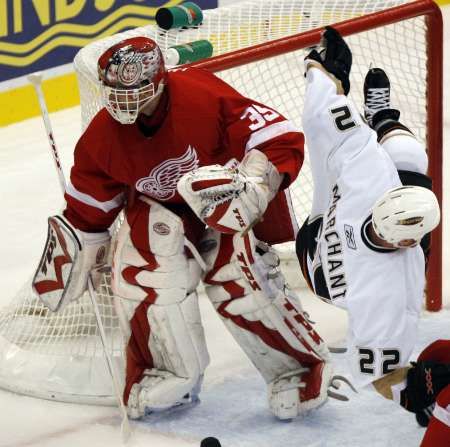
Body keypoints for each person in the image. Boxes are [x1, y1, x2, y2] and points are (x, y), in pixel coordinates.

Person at [32, 36, 334, 421]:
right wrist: (77, 244)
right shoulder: (102, 139)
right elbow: (88, 204)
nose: (122, 102)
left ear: (159, 81)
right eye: (116, 92)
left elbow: (275, 136)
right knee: (142, 272)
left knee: (236, 275)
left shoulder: (200, 95)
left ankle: (296, 368)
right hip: (159, 207)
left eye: (134, 91)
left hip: (219, 195)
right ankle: (165, 373)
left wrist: (255, 184)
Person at [295, 26, 449, 422]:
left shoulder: (389, 300)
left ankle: (378, 119)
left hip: (321, 260)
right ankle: (381, 117)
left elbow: (380, 376)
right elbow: (321, 117)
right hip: (343, 213)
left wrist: (415, 396)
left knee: (391, 154)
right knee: (406, 154)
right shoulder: (371, 180)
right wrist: (323, 71)